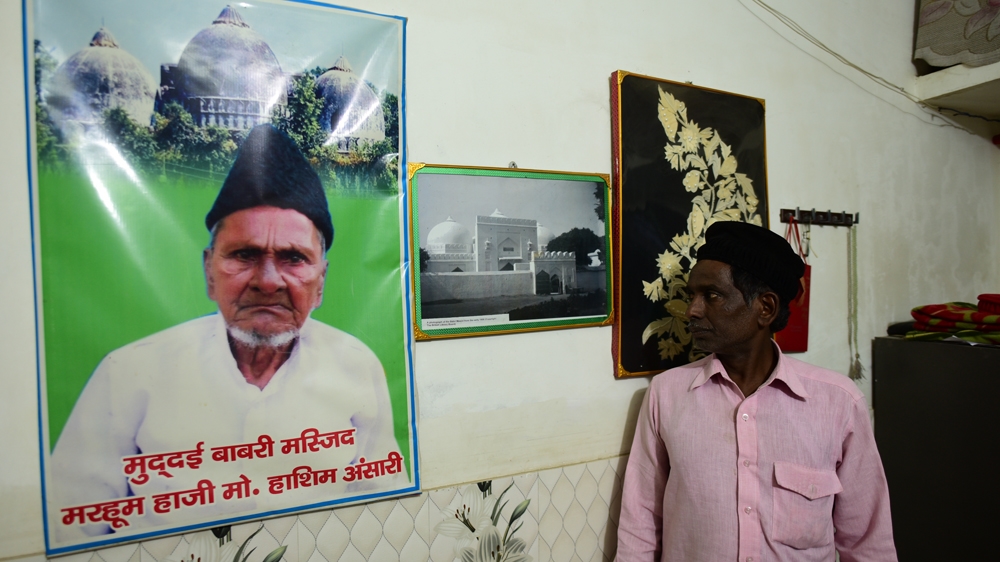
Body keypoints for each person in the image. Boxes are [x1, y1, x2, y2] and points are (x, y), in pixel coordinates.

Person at [50, 125, 401, 537]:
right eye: (245, 254)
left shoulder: (356, 366)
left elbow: (383, 509)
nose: (268, 281)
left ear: (320, 281)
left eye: (293, 258)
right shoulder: (130, 373)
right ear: (209, 271)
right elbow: (70, 525)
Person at [616, 221, 896, 561]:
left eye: (712, 295)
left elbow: (868, 543)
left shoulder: (838, 403)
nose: (692, 310)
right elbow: (639, 525)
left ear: (765, 308)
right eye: (692, 296)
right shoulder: (667, 394)